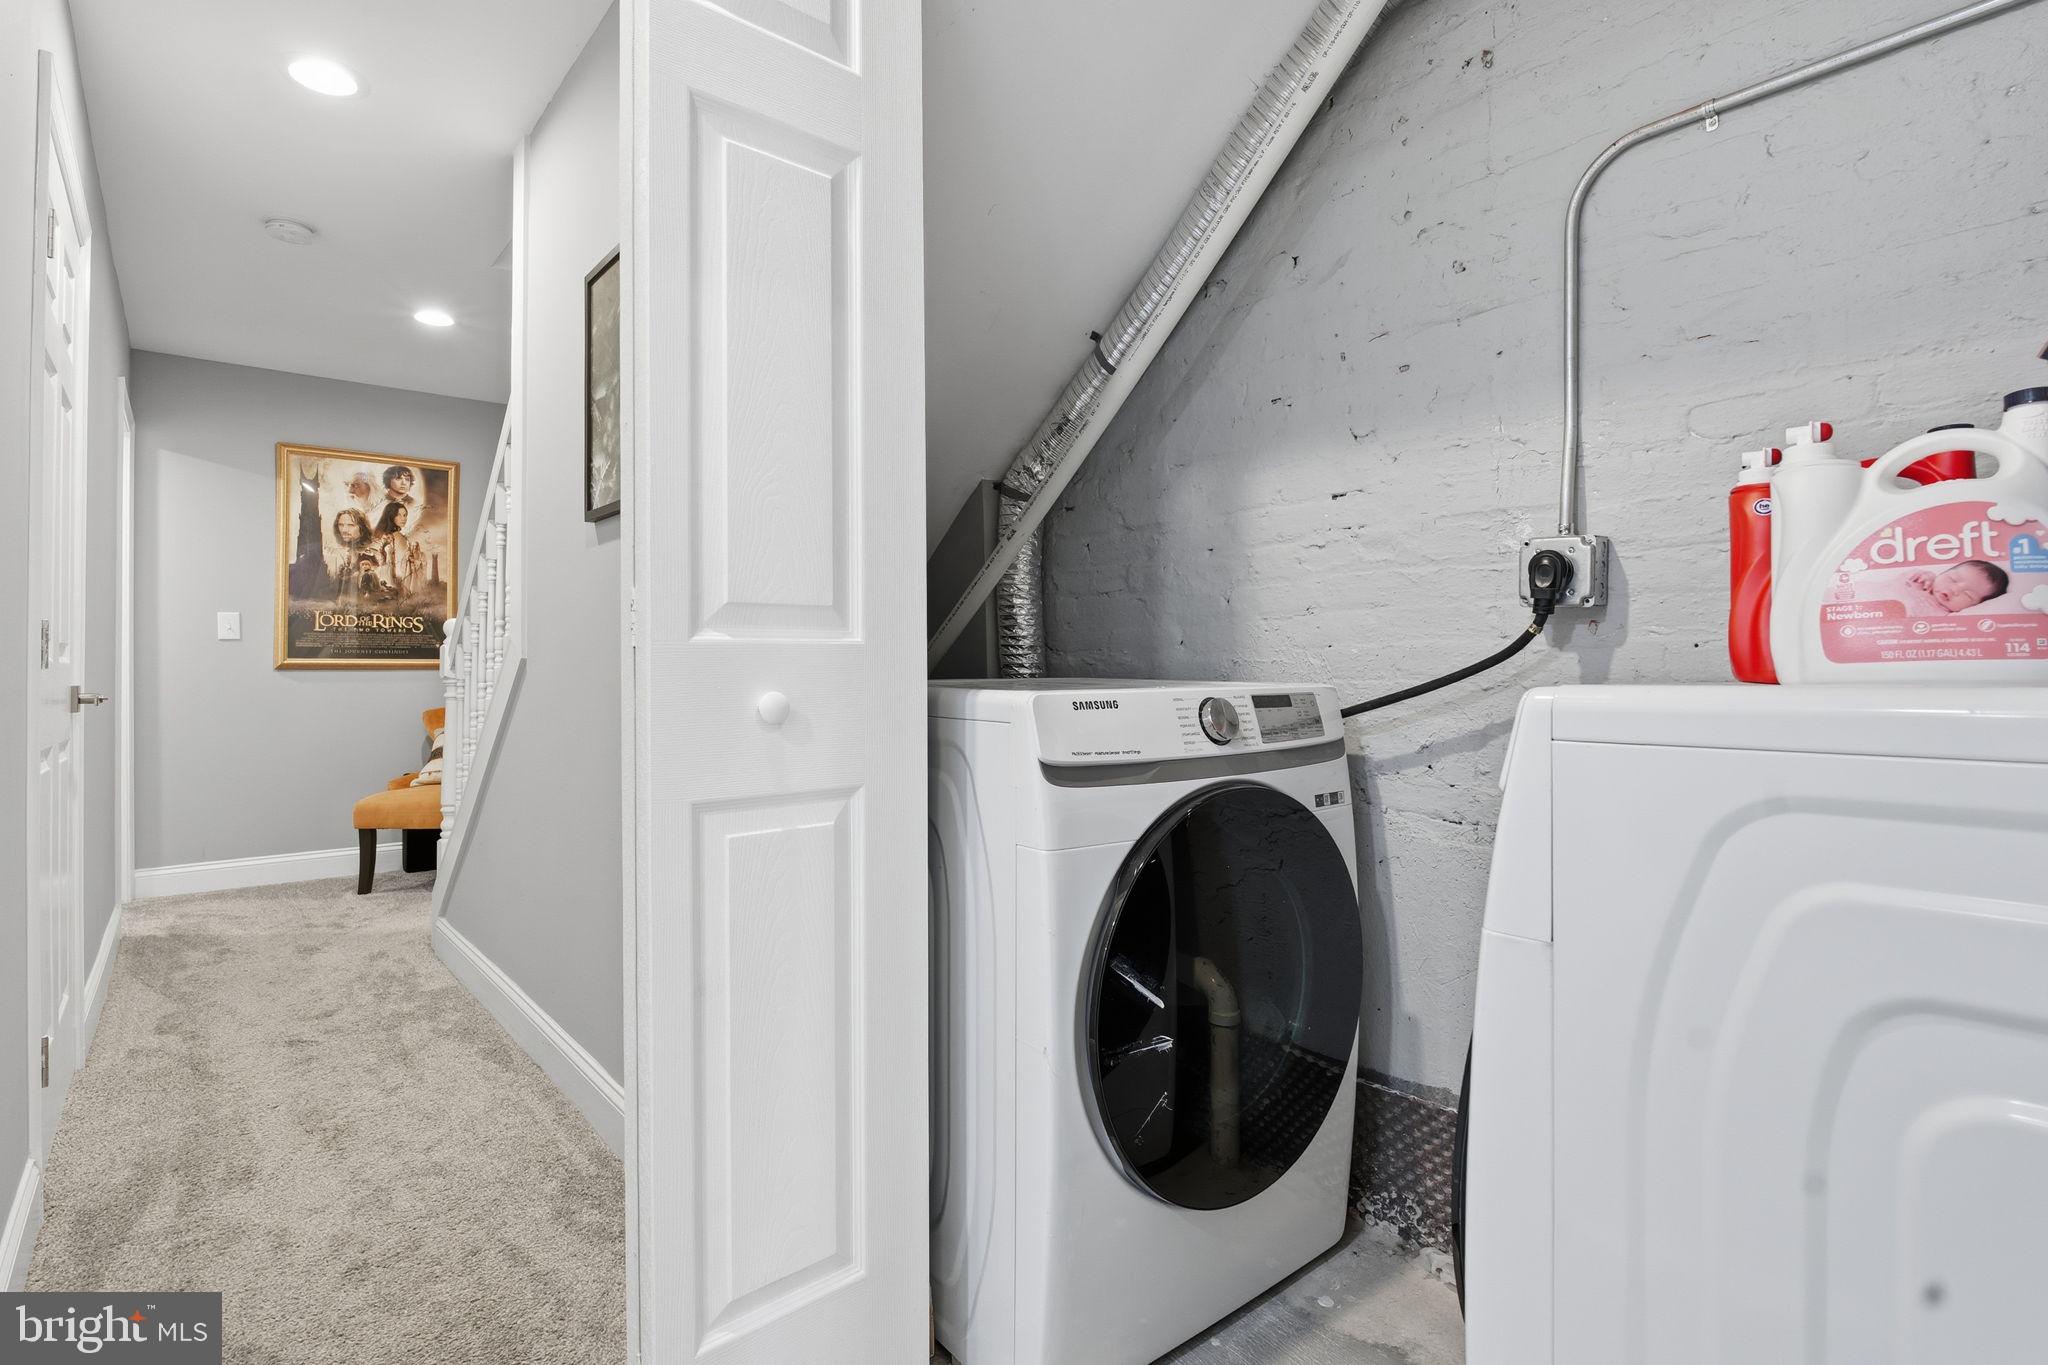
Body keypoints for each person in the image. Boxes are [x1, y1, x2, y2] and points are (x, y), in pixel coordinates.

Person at [1906, 559, 2009, 613]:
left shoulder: (1947, 617)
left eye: (1968, 595)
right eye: (1953, 579)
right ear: (1942, 573)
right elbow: (1899, 579)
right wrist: (1924, 575)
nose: (1955, 589)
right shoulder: (1922, 581)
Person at [330, 508, 378, 603]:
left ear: (362, 527)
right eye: (341, 525)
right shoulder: (341, 553)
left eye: (351, 525)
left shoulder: (372, 553)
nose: (344, 530)